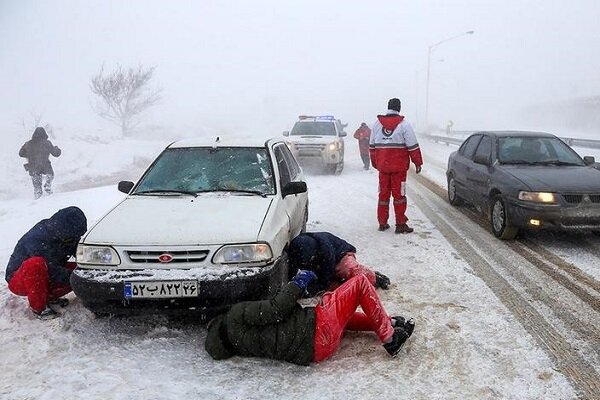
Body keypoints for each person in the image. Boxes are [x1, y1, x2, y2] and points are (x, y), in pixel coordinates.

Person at [205, 271, 415, 365]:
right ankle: (390, 339)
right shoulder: (235, 315)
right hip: (314, 327)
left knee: (339, 312)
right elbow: (276, 309)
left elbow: (274, 326)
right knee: (359, 284)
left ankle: (390, 323)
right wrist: (297, 282)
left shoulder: (236, 343)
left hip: (315, 350)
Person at [5, 206, 87, 320]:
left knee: (81, 270)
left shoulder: (69, 234)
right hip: (19, 279)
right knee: (36, 264)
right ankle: (39, 308)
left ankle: (47, 298)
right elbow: (51, 269)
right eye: (73, 237)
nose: (75, 239)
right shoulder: (38, 236)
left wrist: (88, 274)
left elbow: (80, 253)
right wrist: (75, 279)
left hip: (45, 274)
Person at [370, 98, 423, 234]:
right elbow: (412, 146)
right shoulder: (404, 125)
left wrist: (376, 163)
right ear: (399, 108)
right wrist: (417, 162)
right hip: (399, 169)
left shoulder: (377, 125)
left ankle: (382, 223)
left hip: (383, 168)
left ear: (388, 107)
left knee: (383, 195)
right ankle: (400, 224)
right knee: (399, 196)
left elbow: (372, 146)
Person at [288, 232, 390, 296]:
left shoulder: (324, 248)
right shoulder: (296, 251)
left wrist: (319, 286)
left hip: (341, 255)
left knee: (349, 270)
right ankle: (347, 283)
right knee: (335, 291)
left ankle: (374, 277)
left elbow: (327, 272)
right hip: (323, 267)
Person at [19, 126, 62, 199]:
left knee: (37, 186)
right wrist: (57, 149)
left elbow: (21, 153)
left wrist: (29, 154)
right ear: (44, 134)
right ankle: (47, 185)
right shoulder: (47, 143)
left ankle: (37, 198)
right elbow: (55, 153)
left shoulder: (28, 144)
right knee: (50, 175)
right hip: (45, 165)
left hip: (33, 167)